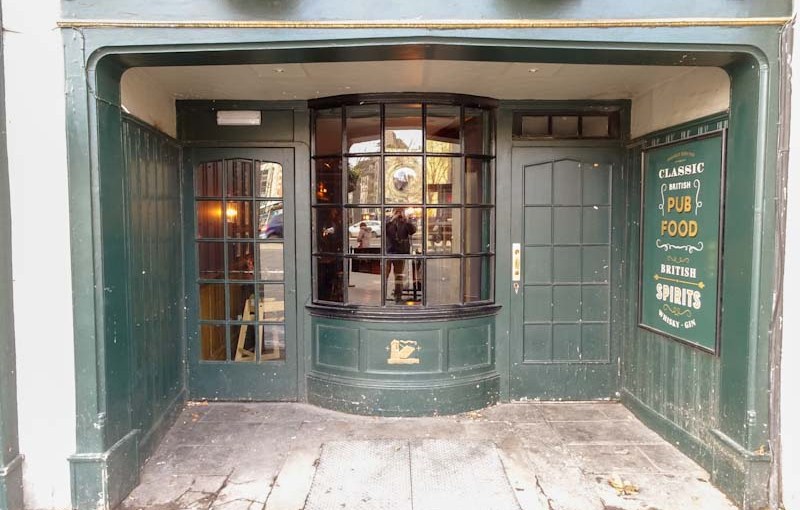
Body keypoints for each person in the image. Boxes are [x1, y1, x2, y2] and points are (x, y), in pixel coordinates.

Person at [385, 208, 416, 302]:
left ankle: (398, 295)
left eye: (400, 212)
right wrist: (392, 220)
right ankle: (384, 295)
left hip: (400, 252)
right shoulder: (389, 222)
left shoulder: (405, 223)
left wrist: (406, 220)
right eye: (396, 212)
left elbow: (413, 231)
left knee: (398, 275)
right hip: (389, 251)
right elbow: (383, 230)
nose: (398, 214)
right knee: (385, 274)